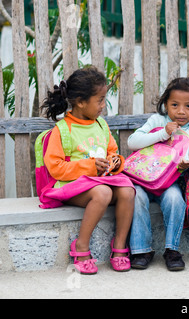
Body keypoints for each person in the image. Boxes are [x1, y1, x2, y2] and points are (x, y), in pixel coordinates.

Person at [40, 66, 135, 274]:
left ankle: (119, 247)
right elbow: (56, 168)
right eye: (99, 100)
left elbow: (112, 151)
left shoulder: (101, 125)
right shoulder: (63, 130)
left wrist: (116, 162)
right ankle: (81, 246)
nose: (103, 105)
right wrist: (90, 167)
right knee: (103, 193)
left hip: (100, 182)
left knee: (128, 191)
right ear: (81, 102)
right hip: (71, 186)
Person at [127, 77, 189, 271]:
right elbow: (133, 142)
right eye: (174, 105)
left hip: (170, 182)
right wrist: (162, 134)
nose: (181, 111)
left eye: (188, 106)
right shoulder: (158, 121)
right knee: (137, 197)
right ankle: (141, 250)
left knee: (176, 199)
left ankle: (172, 250)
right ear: (166, 104)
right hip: (144, 179)